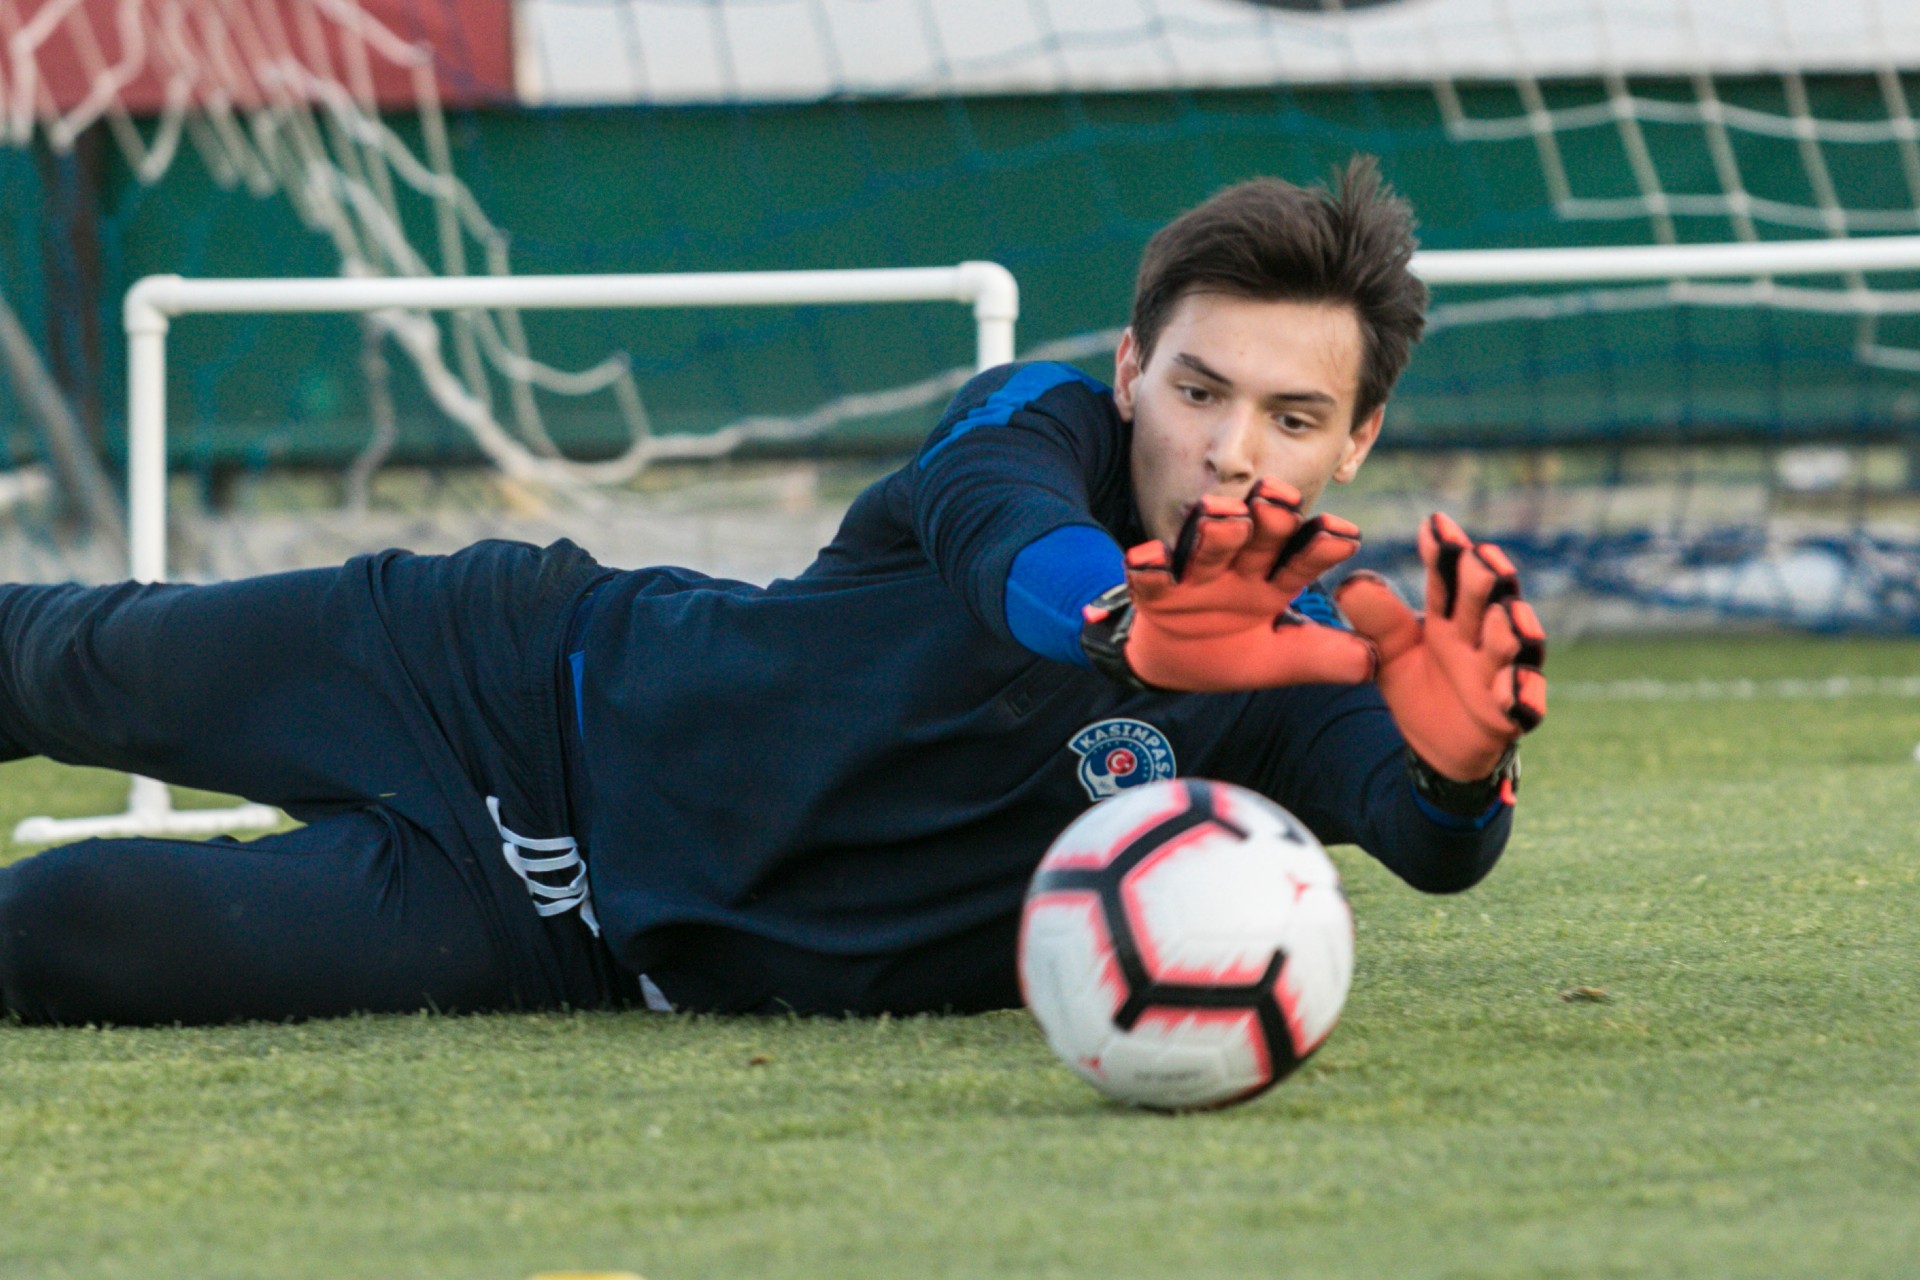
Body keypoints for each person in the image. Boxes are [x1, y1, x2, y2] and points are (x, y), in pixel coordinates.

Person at [0, 157, 1545, 1026]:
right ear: (1134, 370)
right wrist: (1128, 630)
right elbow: (1007, 540)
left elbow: (1422, 834)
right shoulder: (1034, 424)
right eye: (1200, 390)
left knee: (76, 931)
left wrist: (1463, 774)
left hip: (561, 939)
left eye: (1291, 417)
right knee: (70, 663)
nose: (1230, 450)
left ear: (1358, 441)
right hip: (500, 673)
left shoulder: (1310, 668)